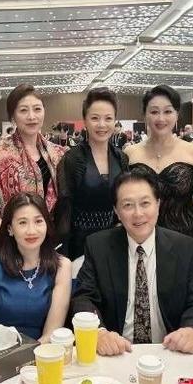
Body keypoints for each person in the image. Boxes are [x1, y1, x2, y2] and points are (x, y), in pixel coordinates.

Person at [71, 169, 193, 356]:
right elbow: (83, 297)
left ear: (158, 204)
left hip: (169, 350)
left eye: (145, 203)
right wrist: (98, 332)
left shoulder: (185, 247)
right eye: (128, 205)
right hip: (118, 352)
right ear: (117, 211)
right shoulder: (98, 246)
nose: (138, 213)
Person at [0, 193, 71, 348]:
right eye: (22, 223)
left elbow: (51, 334)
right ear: (10, 229)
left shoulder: (62, 266)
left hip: (39, 354)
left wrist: (23, 359)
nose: (31, 231)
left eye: (38, 221)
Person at [124, 85, 193, 238]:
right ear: (145, 115)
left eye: (168, 111)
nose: (161, 118)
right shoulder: (130, 154)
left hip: (185, 239)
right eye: (154, 112)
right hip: (140, 239)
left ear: (177, 115)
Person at [0, 84, 67, 231]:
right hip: (10, 236)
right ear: (13, 116)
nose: (31, 116)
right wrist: (10, 237)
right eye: (23, 110)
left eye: (37, 109)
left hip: (53, 236)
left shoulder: (58, 154)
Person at [54, 88, 129, 260]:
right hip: (80, 245)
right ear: (85, 121)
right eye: (95, 118)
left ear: (115, 121)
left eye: (108, 118)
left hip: (114, 242)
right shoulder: (72, 159)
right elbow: (64, 209)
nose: (102, 125)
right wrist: (63, 254)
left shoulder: (121, 158)